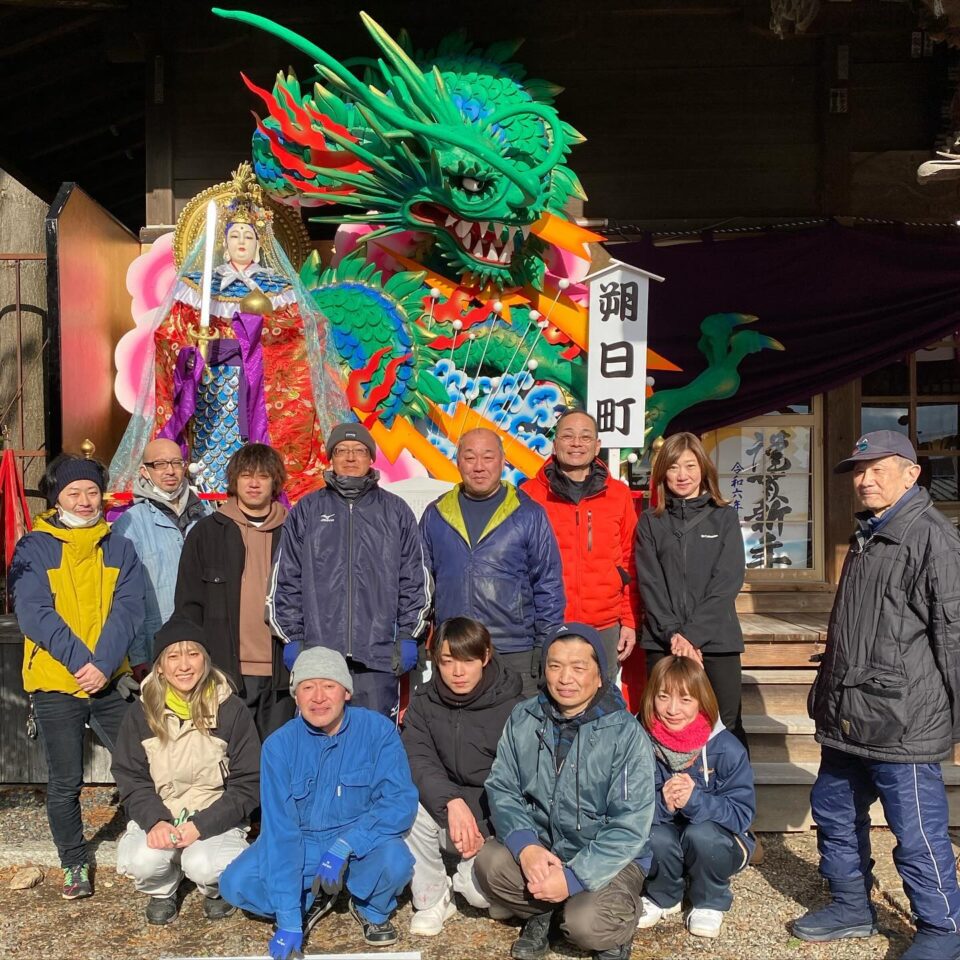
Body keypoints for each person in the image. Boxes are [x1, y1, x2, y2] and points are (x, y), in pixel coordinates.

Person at [794, 430, 960, 960]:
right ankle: (851, 906)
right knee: (835, 812)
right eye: (859, 471)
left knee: (916, 832)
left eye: (877, 469)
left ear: (911, 474)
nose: (864, 480)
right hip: (849, 710)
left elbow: (953, 633)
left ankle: (942, 927)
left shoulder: (934, 537)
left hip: (904, 718)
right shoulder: (868, 533)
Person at [220, 647, 418, 958]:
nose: (319, 697)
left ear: (346, 692)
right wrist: (287, 920)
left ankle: (370, 908)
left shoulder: (377, 731)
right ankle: (304, 903)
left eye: (329, 686)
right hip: (302, 842)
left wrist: (347, 844)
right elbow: (281, 834)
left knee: (396, 861)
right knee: (235, 884)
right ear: (296, 696)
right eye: (307, 687)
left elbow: (398, 802)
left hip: (358, 841)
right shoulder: (278, 747)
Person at [149, 164, 331, 500]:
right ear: (223, 241)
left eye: (249, 236)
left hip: (261, 387)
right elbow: (167, 335)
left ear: (261, 241)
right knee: (208, 450)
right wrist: (192, 351)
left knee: (256, 452)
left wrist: (260, 339)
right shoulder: (198, 286)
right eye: (234, 235)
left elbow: (306, 335)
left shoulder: (280, 288)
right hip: (210, 386)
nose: (242, 243)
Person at [475, 622, 655, 960]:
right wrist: (526, 846)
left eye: (578, 667)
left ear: (600, 675)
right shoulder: (524, 717)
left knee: (587, 925)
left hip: (608, 859)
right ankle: (541, 913)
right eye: (555, 666)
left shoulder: (625, 733)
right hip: (545, 848)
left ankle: (611, 929)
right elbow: (502, 786)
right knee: (489, 864)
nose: (565, 678)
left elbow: (630, 824)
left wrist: (573, 878)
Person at [9, 454, 144, 900]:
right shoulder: (33, 547)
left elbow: (128, 610)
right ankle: (73, 863)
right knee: (65, 780)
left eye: (91, 491)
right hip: (55, 681)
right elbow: (34, 614)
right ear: (57, 498)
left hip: (108, 679)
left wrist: (103, 665)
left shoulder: (119, 547)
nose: (85, 501)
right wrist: (79, 663)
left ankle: (153, 839)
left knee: (139, 762)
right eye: (74, 493)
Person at [267, 421, 430, 718]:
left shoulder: (396, 512)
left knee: (374, 744)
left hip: (378, 659)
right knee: (321, 746)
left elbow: (415, 581)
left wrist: (407, 635)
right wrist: (293, 638)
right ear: (331, 458)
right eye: (342, 450)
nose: (351, 457)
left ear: (371, 458)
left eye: (359, 450)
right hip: (320, 657)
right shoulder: (308, 510)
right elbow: (285, 579)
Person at [111, 614, 260, 924]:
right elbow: (130, 776)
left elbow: (249, 782)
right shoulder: (142, 713)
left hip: (214, 816)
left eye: (193, 654)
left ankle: (215, 889)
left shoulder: (231, 709)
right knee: (141, 860)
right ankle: (163, 889)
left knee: (206, 864)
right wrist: (155, 821)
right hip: (163, 814)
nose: (184, 665)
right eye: (173, 656)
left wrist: (201, 825)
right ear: (160, 667)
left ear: (206, 661)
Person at [420, 427, 565, 698]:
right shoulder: (436, 514)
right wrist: (417, 640)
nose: (478, 467)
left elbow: (548, 583)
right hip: (457, 650)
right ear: (457, 461)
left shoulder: (528, 513)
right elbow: (421, 584)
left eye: (487, 457)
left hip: (513, 648)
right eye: (469, 457)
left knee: (519, 733)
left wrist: (546, 644)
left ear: (502, 461)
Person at [402, 617, 524, 935]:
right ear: (435, 661)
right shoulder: (424, 703)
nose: (458, 672)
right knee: (405, 802)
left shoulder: (515, 706)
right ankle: (433, 897)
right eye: (447, 661)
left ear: (485, 656)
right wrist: (451, 801)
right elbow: (418, 759)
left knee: (481, 897)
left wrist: (482, 827)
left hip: (492, 821)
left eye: (468, 660)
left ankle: (474, 881)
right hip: (447, 809)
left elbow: (518, 781)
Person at [634, 432, 747, 748]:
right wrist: (674, 636)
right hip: (662, 640)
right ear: (662, 473)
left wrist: (692, 636)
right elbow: (650, 583)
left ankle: (733, 794)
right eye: (672, 467)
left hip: (717, 639)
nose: (681, 475)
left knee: (726, 723)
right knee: (661, 722)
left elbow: (727, 580)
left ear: (703, 469)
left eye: (689, 465)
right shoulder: (650, 523)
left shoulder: (723, 517)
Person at [176, 443, 292, 739]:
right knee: (230, 757)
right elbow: (189, 605)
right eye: (246, 475)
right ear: (234, 481)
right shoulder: (206, 533)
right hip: (226, 671)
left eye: (263, 476)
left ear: (275, 482)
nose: (254, 483)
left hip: (283, 672)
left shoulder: (295, 532)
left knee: (276, 760)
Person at [636, 655, 755, 940]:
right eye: (663, 697)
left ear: (702, 701)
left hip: (717, 841)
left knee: (701, 834)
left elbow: (742, 815)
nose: (673, 709)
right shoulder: (637, 741)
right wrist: (662, 803)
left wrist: (696, 800)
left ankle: (710, 900)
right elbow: (624, 807)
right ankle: (663, 894)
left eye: (686, 699)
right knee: (655, 835)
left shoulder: (725, 747)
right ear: (651, 697)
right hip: (663, 837)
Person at [521, 410, 641, 679]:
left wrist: (630, 620)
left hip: (605, 624)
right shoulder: (529, 495)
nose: (576, 443)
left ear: (597, 445)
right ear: (554, 443)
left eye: (585, 437)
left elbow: (629, 559)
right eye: (568, 435)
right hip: (546, 623)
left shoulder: (618, 495)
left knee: (601, 704)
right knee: (547, 701)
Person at [111, 437, 211, 679]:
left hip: (203, 638)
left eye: (177, 462)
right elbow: (124, 595)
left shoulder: (206, 514)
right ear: (144, 471)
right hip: (156, 643)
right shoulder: (131, 523)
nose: (170, 470)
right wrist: (136, 656)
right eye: (160, 464)